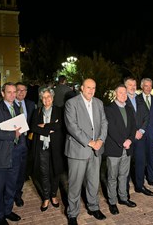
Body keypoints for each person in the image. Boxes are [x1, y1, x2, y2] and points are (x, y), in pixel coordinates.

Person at [64, 78, 108, 225]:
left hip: (96, 150)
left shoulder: (99, 103)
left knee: (94, 182)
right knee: (75, 184)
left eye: (93, 88)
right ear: (81, 88)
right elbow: (72, 126)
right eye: (88, 87)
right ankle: (72, 213)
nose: (91, 90)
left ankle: (93, 207)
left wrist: (100, 140)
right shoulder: (72, 103)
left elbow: (104, 123)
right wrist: (90, 142)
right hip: (78, 150)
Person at [0, 82, 23, 225]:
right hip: (1, 154)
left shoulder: (17, 108)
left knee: (11, 186)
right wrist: (12, 134)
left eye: (14, 92)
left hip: (15, 153)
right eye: (9, 92)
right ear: (3, 93)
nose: (12, 95)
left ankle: (8, 211)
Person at [104, 84, 137, 215]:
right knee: (112, 177)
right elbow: (110, 129)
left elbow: (134, 127)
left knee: (123, 176)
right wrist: (122, 142)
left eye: (125, 93)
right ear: (115, 94)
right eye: (121, 93)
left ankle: (123, 198)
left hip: (127, 148)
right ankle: (112, 202)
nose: (123, 95)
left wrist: (130, 140)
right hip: (114, 149)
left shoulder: (129, 109)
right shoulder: (109, 109)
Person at [30, 87, 65, 212]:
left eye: (48, 97)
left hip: (56, 147)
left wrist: (43, 126)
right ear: (41, 99)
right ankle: (46, 197)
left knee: (55, 172)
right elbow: (33, 127)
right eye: (44, 97)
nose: (46, 99)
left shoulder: (59, 111)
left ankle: (54, 195)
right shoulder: (37, 111)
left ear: (53, 98)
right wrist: (49, 128)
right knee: (44, 173)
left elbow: (59, 125)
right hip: (42, 148)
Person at [124, 77, 153, 197]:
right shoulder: (122, 99)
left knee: (141, 162)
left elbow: (147, 116)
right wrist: (134, 131)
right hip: (128, 138)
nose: (132, 87)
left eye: (134, 85)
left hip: (140, 138)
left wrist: (141, 130)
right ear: (125, 86)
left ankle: (139, 186)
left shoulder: (139, 99)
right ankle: (124, 190)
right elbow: (122, 120)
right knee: (126, 166)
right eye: (130, 85)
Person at [13, 82, 35, 207]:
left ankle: (18, 194)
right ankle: (10, 194)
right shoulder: (9, 105)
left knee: (22, 171)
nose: (21, 92)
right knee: (13, 172)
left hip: (26, 142)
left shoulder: (31, 104)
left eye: (24, 90)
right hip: (13, 143)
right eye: (18, 90)